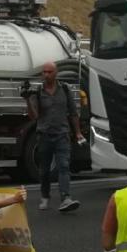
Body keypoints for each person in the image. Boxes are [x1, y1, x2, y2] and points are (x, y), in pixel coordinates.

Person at [27, 61, 84, 212]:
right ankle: (45, 197)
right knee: (44, 170)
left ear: (56, 73)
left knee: (64, 166)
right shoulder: (38, 92)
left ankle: (66, 198)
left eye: (49, 72)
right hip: (44, 135)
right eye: (44, 72)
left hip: (62, 134)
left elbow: (73, 112)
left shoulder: (64, 89)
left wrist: (78, 132)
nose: (46, 75)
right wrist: (27, 100)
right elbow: (34, 116)